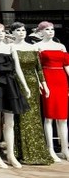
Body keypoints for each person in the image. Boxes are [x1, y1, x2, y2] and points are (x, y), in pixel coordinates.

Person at [0, 22, 30, 169]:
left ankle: (10, 154)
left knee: (10, 122)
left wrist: (25, 86)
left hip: (11, 85)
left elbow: (17, 68)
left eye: (3, 31)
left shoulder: (11, 47)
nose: (1, 33)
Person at [11, 22, 54, 165]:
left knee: (35, 117)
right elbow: (17, 69)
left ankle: (39, 151)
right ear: (13, 33)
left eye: (23, 30)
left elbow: (39, 68)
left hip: (34, 85)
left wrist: (44, 84)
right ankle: (24, 152)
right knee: (23, 117)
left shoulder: (33, 47)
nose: (21, 32)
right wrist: (25, 86)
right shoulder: (13, 47)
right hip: (20, 83)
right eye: (18, 30)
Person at [35, 21, 69, 162]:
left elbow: (67, 65)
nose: (50, 31)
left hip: (61, 80)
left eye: (52, 29)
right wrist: (40, 83)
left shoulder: (61, 46)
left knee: (63, 117)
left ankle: (65, 148)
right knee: (49, 116)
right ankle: (50, 149)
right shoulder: (37, 46)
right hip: (47, 80)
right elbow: (36, 67)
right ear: (41, 31)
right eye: (47, 29)